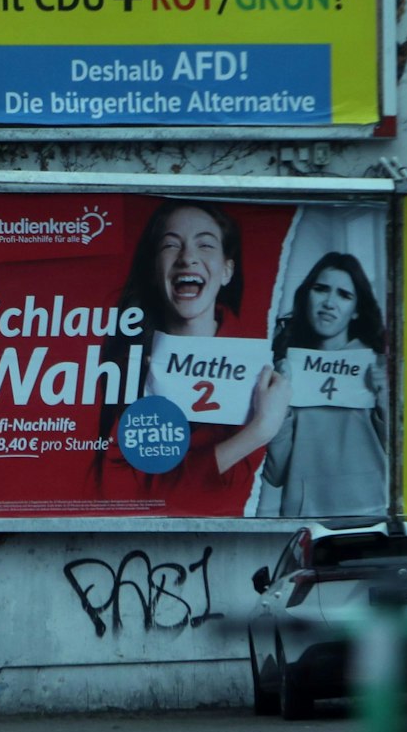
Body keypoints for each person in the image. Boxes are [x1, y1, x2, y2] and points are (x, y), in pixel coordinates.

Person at [92, 199, 290, 514]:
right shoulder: (124, 366)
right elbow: (133, 496)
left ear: (227, 271)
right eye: (171, 245)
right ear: (155, 271)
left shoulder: (261, 372)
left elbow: (226, 492)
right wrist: (261, 429)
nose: (187, 258)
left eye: (205, 245)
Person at [255, 251, 389, 518]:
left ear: (356, 311)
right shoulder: (285, 367)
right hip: (304, 523)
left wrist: (385, 401)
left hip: (369, 519)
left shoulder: (380, 368)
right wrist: (280, 404)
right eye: (321, 289)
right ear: (307, 296)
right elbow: (275, 473)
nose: (329, 302)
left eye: (344, 295)